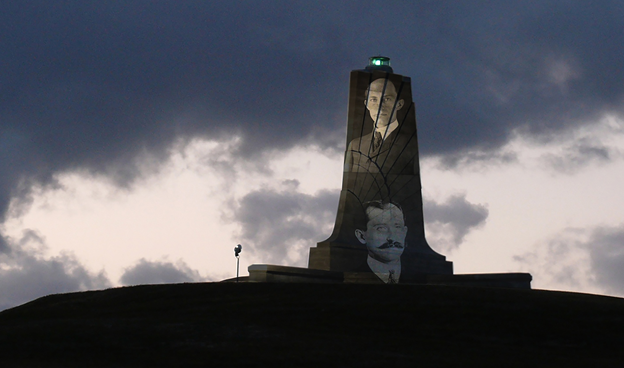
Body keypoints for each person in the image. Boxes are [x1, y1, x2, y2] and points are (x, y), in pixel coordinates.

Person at [345, 78, 415, 175]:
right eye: (373, 99)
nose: (379, 106)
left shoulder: (411, 144)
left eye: (386, 99)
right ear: (366, 104)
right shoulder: (355, 146)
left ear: (399, 104)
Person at [355, 200, 408, 283]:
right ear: (361, 236)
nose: (392, 237)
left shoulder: (421, 278)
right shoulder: (351, 278)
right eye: (381, 228)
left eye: (397, 227)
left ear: (405, 232)